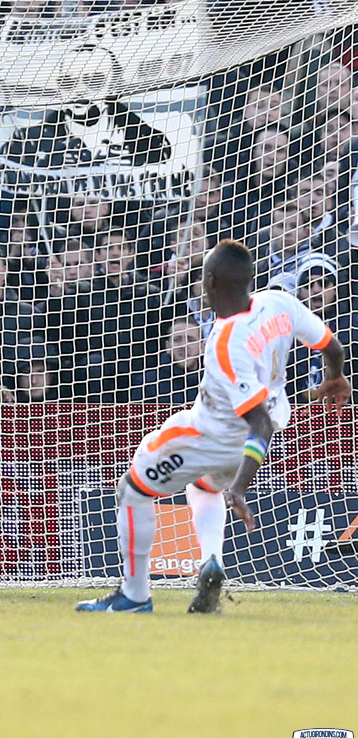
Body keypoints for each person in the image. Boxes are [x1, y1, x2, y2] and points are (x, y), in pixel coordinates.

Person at [77, 240, 350, 614]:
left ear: (210, 281)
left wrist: (240, 486)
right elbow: (332, 348)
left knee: (133, 489)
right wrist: (335, 378)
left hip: (214, 435)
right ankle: (211, 561)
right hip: (258, 430)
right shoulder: (280, 302)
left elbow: (259, 422)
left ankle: (134, 596)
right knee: (204, 486)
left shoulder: (225, 341)